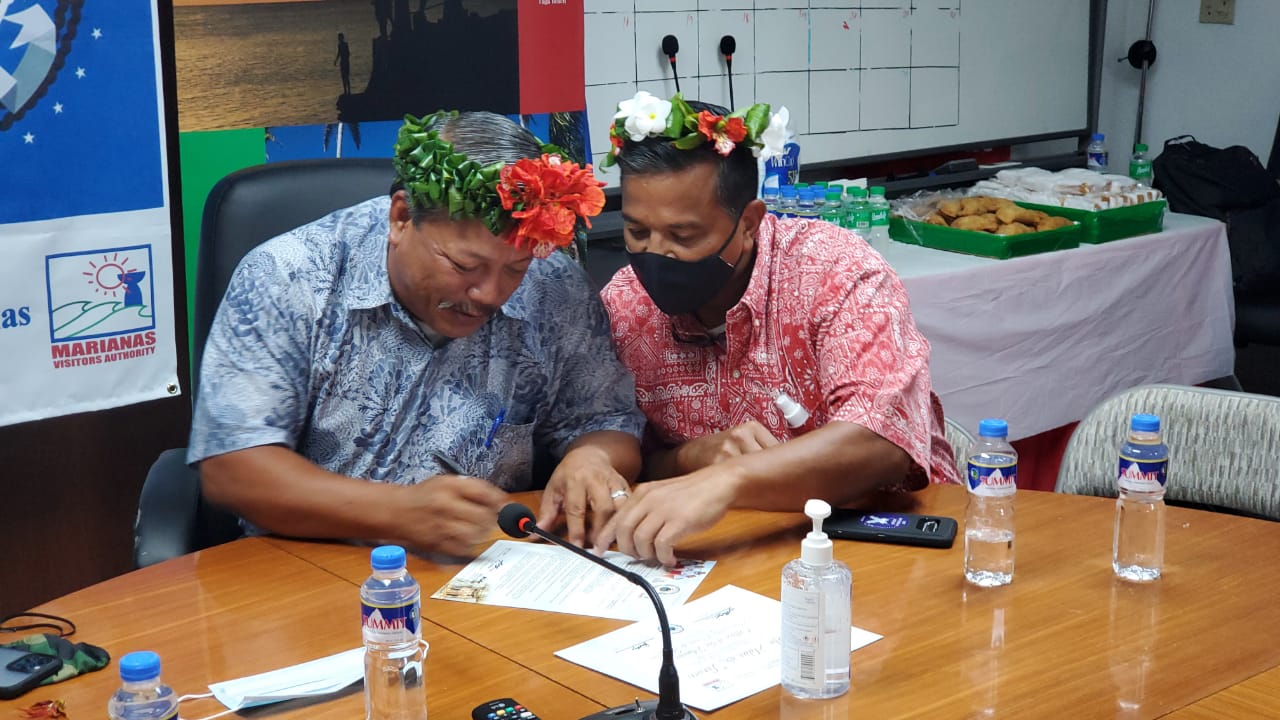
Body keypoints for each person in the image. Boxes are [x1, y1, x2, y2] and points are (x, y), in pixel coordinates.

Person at [189, 110, 645, 558]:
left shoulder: (553, 286)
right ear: (402, 218)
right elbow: (233, 468)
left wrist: (592, 459)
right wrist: (397, 513)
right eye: (464, 266)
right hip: (304, 564)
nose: (489, 294)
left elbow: (608, 424)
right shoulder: (289, 277)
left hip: (484, 568)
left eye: (515, 268)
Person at [595, 92, 961, 565]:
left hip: (889, 543)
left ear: (748, 223)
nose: (657, 254)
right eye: (637, 232)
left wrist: (728, 480)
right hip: (731, 554)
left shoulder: (833, 270)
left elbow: (881, 440)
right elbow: (635, 454)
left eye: (683, 236)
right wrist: (693, 460)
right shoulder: (625, 303)